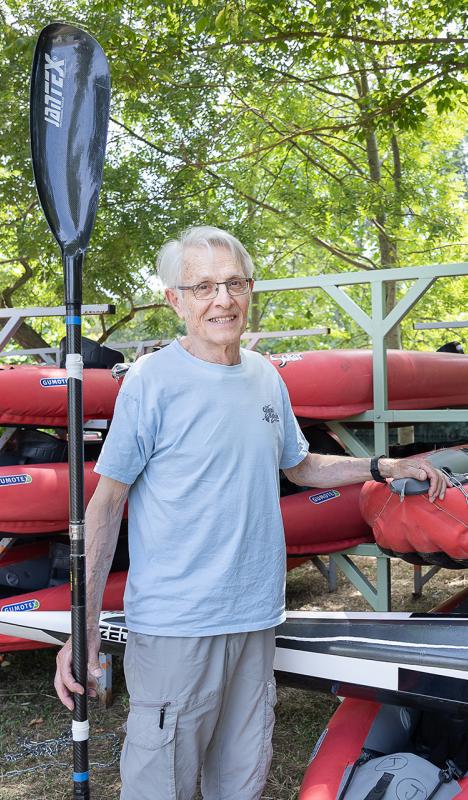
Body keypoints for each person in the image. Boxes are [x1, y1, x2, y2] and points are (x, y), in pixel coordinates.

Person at [54, 226, 448, 800]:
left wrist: (381, 468)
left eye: (234, 283)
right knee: (160, 784)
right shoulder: (151, 383)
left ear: (250, 288)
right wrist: (83, 628)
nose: (222, 299)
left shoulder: (265, 376)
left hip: (256, 615)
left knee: (241, 781)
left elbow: (301, 466)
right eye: (204, 286)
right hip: (176, 626)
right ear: (176, 300)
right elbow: (106, 503)